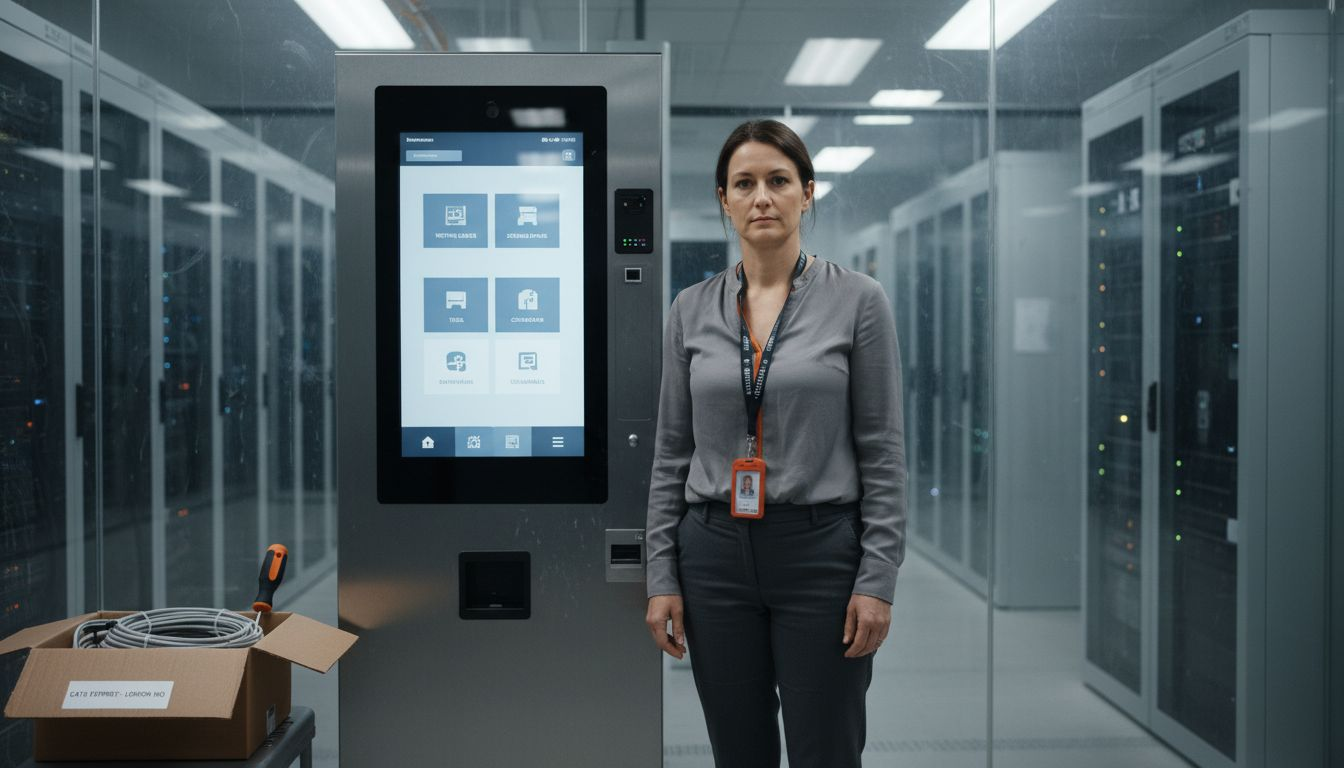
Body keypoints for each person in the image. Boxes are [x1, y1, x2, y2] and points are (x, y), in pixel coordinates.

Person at [644, 119, 907, 768]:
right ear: (724, 200)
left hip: (819, 553)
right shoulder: (691, 308)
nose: (762, 196)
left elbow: (883, 449)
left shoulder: (858, 301)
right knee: (739, 752)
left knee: (826, 751)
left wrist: (878, 579)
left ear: (807, 193)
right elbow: (671, 451)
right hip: (712, 554)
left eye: (778, 180)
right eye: (745, 183)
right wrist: (661, 573)